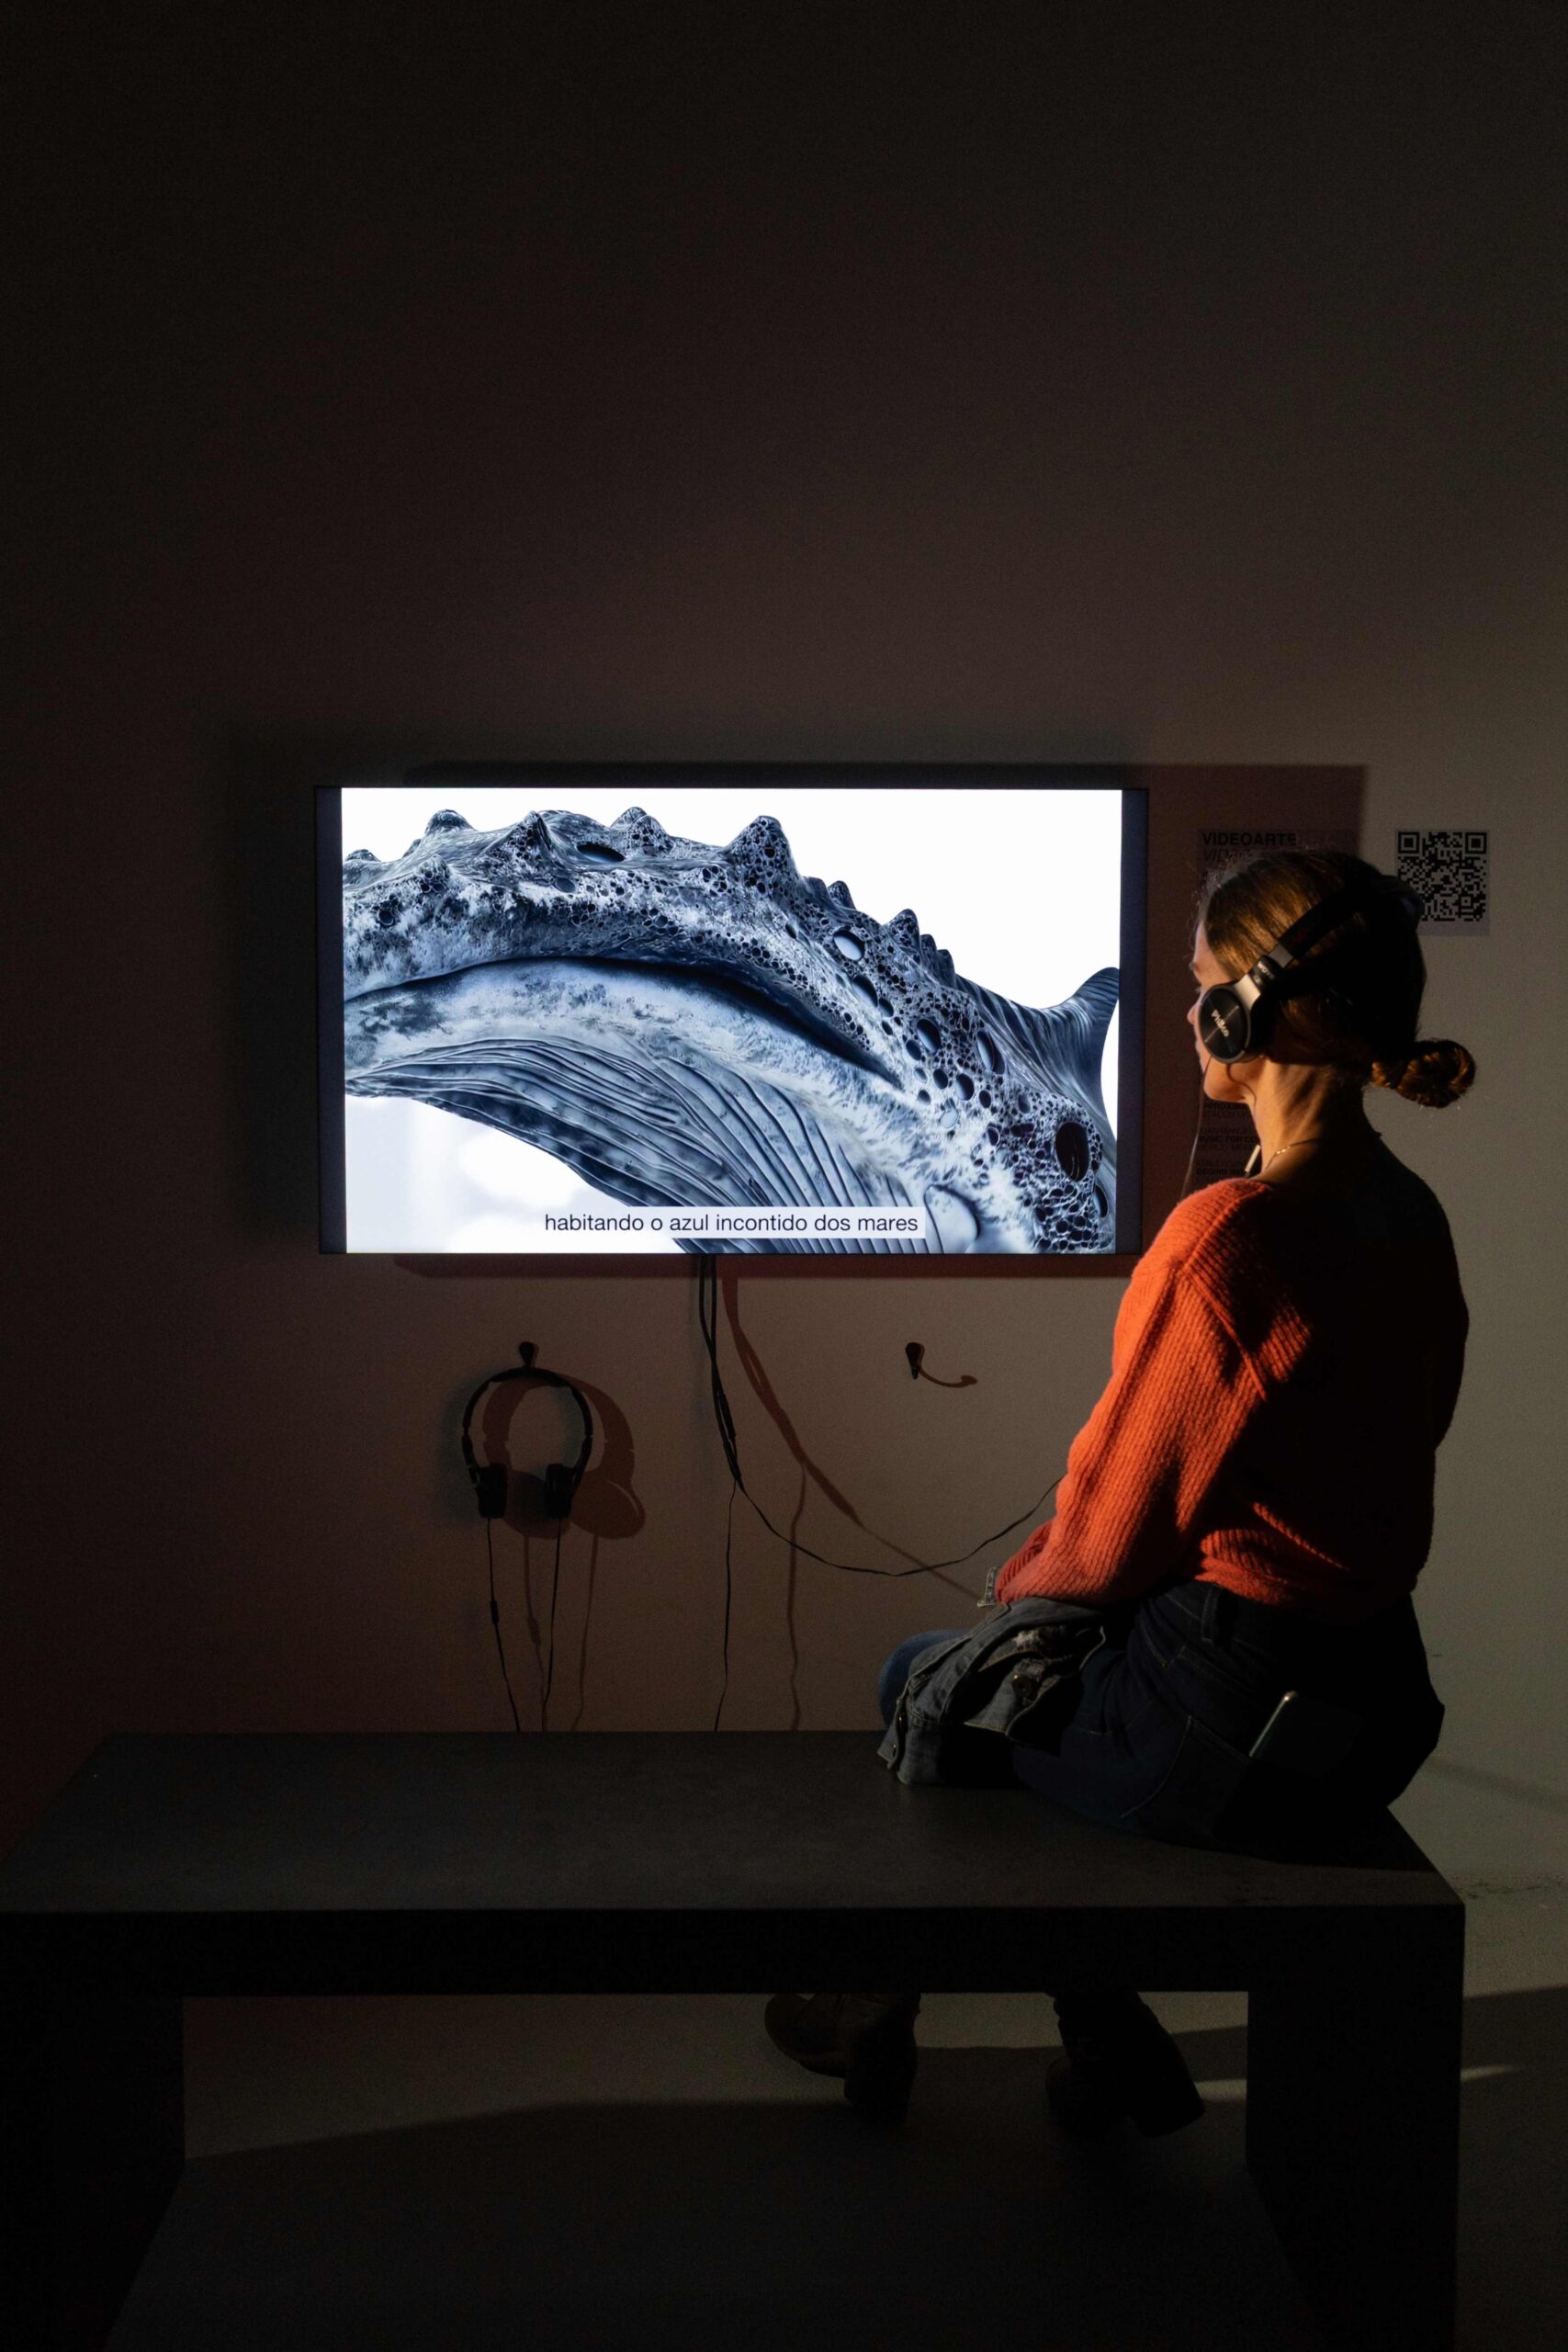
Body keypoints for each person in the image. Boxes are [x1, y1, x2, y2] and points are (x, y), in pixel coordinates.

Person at [766, 848, 1474, 2129]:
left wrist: (1008, 1606)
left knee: (927, 1683)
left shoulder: (1230, 1237)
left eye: (1202, 984)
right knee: (1004, 1686)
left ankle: (879, 2011)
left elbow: (1103, 1544)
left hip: (1225, 1725)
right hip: (1372, 1704)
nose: (1187, 1010)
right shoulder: (1408, 1210)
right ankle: (1108, 2050)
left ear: (1245, 1013)